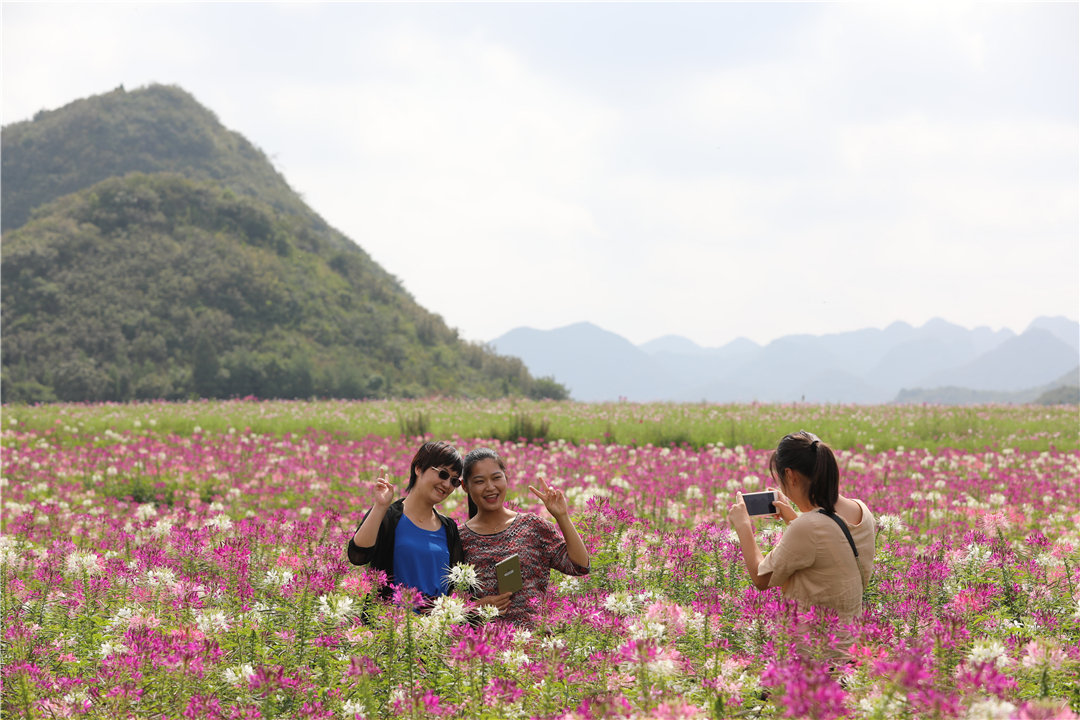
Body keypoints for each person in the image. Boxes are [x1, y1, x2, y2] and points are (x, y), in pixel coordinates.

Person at [727, 430, 876, 656]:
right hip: (849, 655)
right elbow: (831, 547)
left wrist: (743, 525)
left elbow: (761, 578)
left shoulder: (808, 527)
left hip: (809, 660)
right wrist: (793, 516)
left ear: (790, 475)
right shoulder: (862, 510)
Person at [458, 447, 590, 629]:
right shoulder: (458, 538)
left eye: (496, 478)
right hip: (486, 649)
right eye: (479, 481)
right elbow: (448, 603)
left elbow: (580, 566)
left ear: (505, 477)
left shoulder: (532, 526)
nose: (490, 487)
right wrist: (473, 607)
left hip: (536, 646)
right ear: (465, 486)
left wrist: (562, 516)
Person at [347, 441, 465, 603]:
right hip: (388, 624)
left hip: (434, 626)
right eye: (443, 474)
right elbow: (357, 555)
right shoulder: (388, 516)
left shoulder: (449, 528)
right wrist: (380, 506)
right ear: (418, 468)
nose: (446, 484)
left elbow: (454, 585)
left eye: (454, 481)